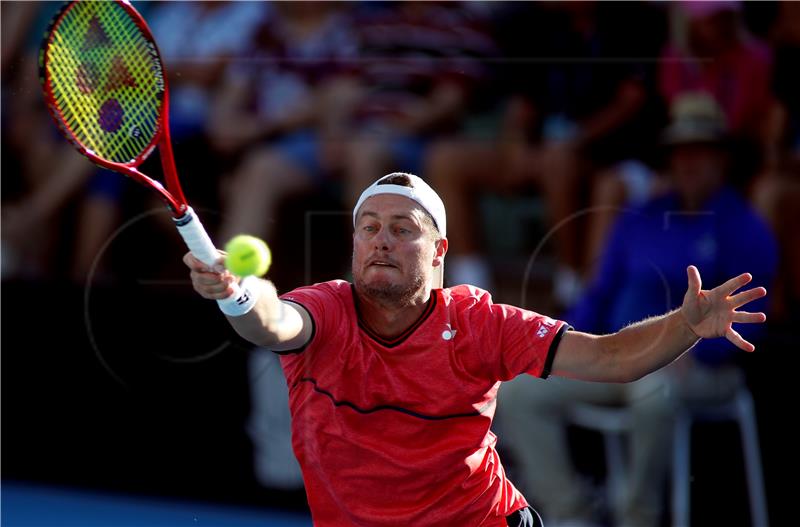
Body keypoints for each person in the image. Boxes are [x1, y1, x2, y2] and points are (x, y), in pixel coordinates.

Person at [184, 172, 767, 526]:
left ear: (438, 250)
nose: (382, 240)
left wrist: (685, 325)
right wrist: (239, 297)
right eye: (369, 227)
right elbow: (272, 324)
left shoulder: (480, 323)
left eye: (403, 228)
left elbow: (611, 358)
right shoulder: (324, 308)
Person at [497, 93, 777, 527]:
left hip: (699, 370)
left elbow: (753, 318)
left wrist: (699, 353)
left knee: (655, 396)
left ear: (722, 158)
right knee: (518, 392)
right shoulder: (640, 217)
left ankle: (638, 518)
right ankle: (570, 514)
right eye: (681, 151)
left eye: (701, 150)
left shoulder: (744, 226)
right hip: (620, 359)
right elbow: (600, 292)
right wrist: (568, 345)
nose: (689, 162)